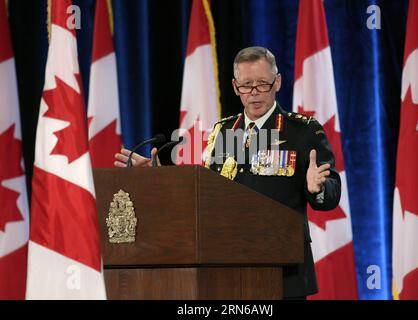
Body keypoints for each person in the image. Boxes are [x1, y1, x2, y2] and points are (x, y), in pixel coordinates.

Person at [115, 46, 341, 299]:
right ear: (235, 87)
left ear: (277, 82)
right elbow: (207, 189)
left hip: (283, 271)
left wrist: (318, 188)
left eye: (262, 84)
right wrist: (162, 176)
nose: (254, 93)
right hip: (227, 268)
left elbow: (331, 191)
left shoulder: (301, 131)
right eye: (246, 85)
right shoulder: (224, 132)